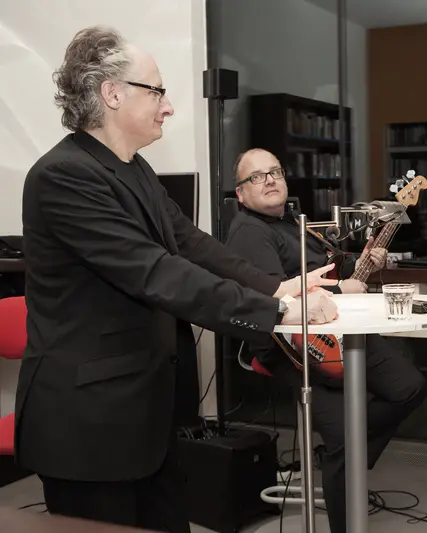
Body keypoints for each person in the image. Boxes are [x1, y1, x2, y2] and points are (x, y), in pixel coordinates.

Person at [16, 26, 339, 533]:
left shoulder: (133, 169)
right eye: (158, 91)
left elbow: (191, 242)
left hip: (146, 412)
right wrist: (279, 313)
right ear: (112, 93)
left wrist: (276, 286)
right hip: (91, 423)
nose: (167, 106)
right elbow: (156, 272)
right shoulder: (64, 175)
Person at [225, 148, 427, 533]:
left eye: (275, 172)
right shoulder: (250, 232)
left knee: (409, 387)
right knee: (343, 442)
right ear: (240, 194)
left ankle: (342, 450)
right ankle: (342, 466)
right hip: (294, 348)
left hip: (340, 333)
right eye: (256, 177)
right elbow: (272, 294)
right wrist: (340, 289)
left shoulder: (296, 224)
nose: (269, 180)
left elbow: (333, 266)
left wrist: (367, 259)